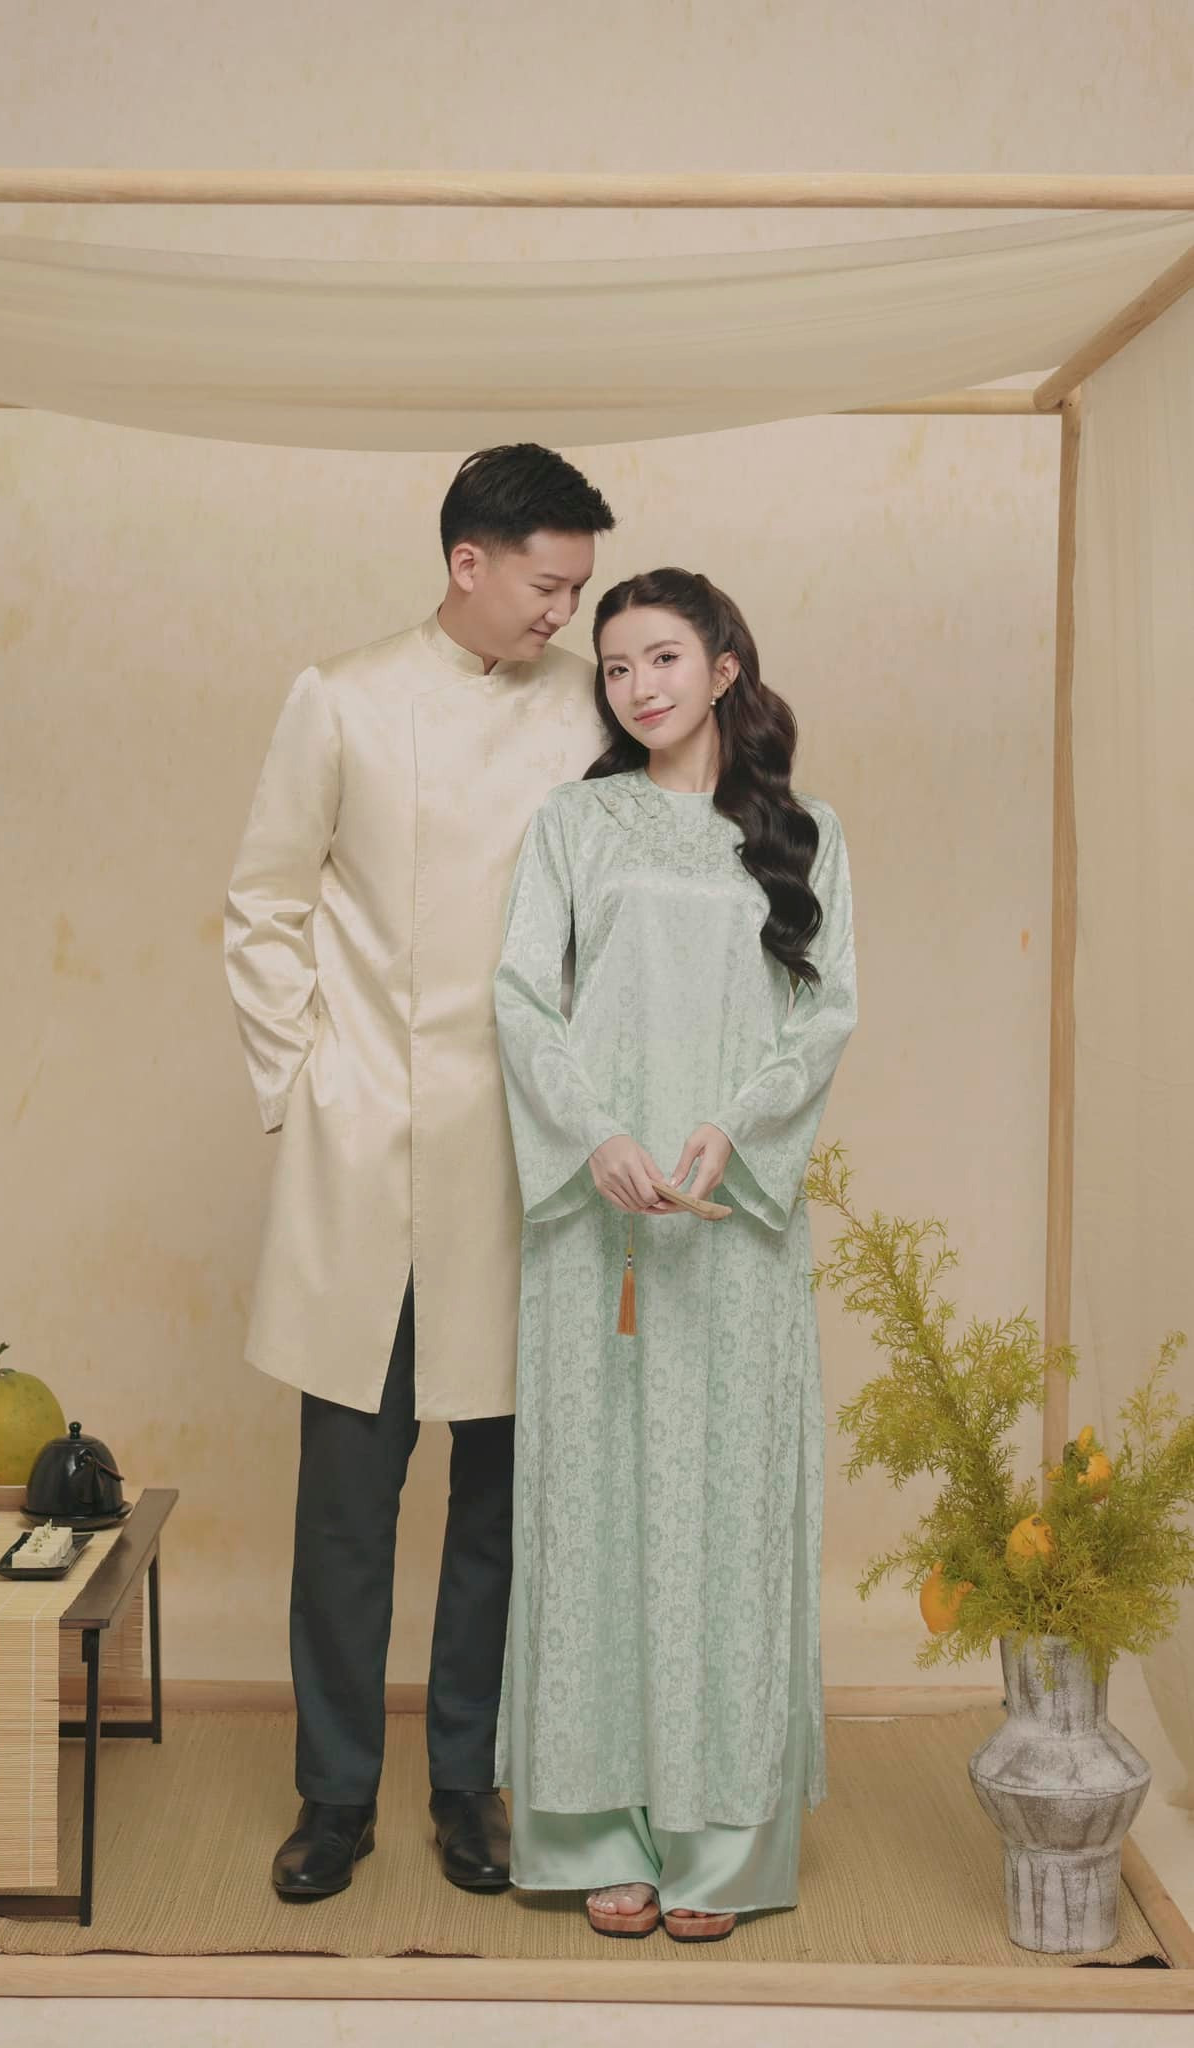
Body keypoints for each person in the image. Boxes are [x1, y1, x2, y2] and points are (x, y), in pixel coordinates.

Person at [224, 444, 615, 1901]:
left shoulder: (587, 707)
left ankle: (468, 1782)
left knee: (500, 1505)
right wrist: (306, 1082)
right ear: (468, 562)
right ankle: (334, 1796)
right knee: (345, 1505)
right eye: (547, 584)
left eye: (577, 589)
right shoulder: (340, 696)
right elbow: (264, 899)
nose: (563, 614)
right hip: (370, 1148)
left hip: (527, 1151)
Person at [493, 566, 856, 1942]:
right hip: (598, 1223)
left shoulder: (805, 836)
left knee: (726, 1520)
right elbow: (522, 1000)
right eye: (614, 666)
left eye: (661, 658)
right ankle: (599, 1830)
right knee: (593, 1518)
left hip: (732, 1226)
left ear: (723, 667)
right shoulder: (573, 825)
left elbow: (823, 1017)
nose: (637, 686)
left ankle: (718, 1838)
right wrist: (592, 1136)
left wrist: (731, 1129)